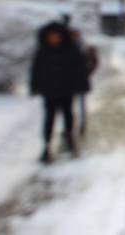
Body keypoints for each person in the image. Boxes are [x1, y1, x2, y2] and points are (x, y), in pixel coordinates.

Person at [29, 19, 89, 164]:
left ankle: (69, 139)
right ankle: (47, 145)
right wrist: (35, 87)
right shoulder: (43, 52)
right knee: (49, 118)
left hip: (66, 91)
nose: (54, 39)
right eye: (51, 36)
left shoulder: (70, 50)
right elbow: (36, 71)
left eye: (56, 35)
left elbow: (79, 70)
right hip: (49, 92)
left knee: (68, 115)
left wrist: (81, 86)